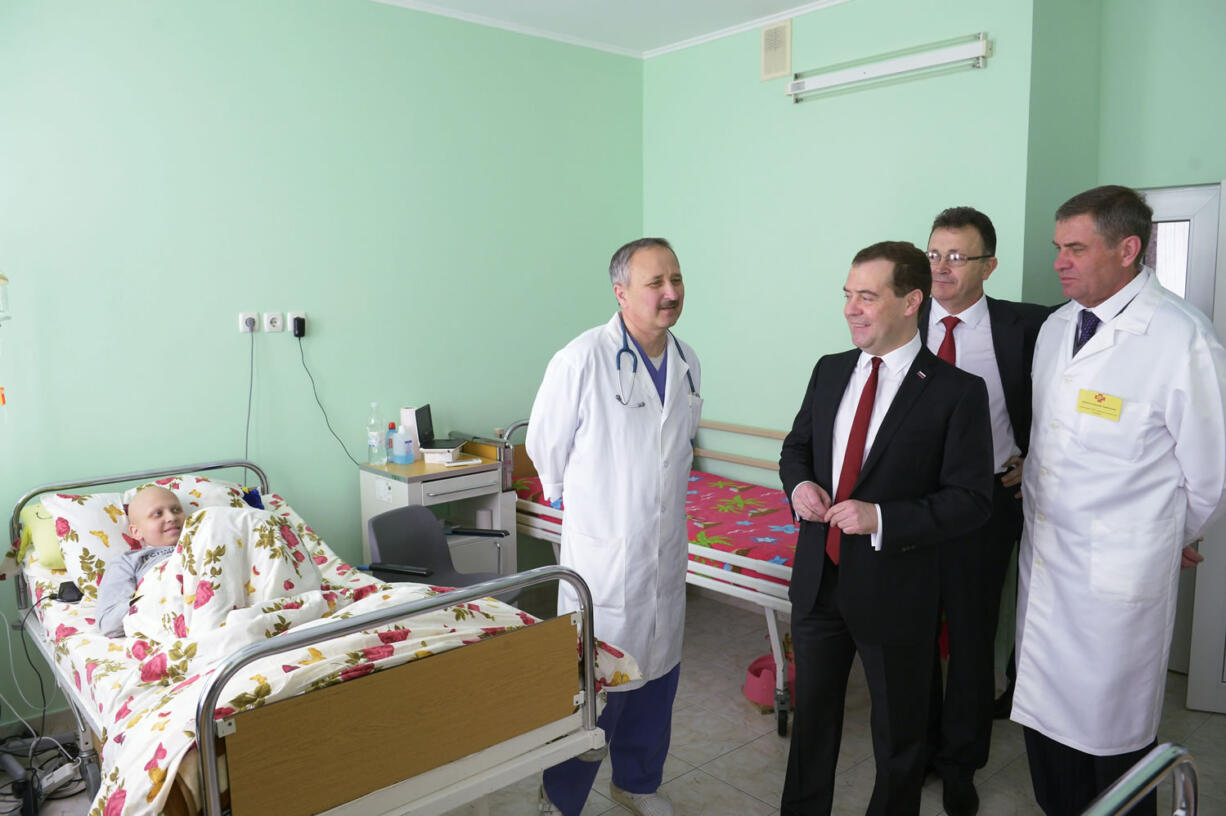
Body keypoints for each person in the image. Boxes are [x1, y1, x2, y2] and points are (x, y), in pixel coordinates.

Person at [1013, 184, 1226, 816]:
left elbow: (1210, 475)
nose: (1059, 262)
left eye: (1076, 248)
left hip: (1117, 579)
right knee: (1046, 725)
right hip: (1048, 560)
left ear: (1128, 248)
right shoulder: (1055, 330)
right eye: (1058, 248)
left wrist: (1165, 538)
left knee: (1112, 741)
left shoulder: (1181, 338)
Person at [779, 240, 994, 816]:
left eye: (867, 297)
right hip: (820, 577)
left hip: (897, 588)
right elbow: (796, 449)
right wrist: (799, 486)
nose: (851, 308)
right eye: (848, 295)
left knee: (899, 737)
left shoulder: (955, 393)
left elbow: (973, 501)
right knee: (812, 726)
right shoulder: (829, 372)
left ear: (910, 301)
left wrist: (882, 517)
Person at [526, 237, 702, 816]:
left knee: (657, 681)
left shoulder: (687, 362)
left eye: (675, 279)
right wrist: (587, 505)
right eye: (656, 283)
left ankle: (638, 784)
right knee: (593, 691)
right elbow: (543, 447)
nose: (671, 293)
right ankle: (562, 800)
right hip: (604, 559)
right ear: (621, 292)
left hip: (663, 553)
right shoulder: (581, 359)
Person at [919, 207, 1051, 815]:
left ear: (989, 266)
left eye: (957, 256)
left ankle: (961, 761)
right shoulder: (903, 317)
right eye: (934, 254)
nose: (942, 268)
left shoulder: (1028, 328)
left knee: (972, 641)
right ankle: (917, 750)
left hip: (986, 505)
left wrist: (1038, 454)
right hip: (909, 510)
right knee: (913, 635)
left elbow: (1069, 398)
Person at [96, 486, 184, 637]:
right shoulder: (128, 561)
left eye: (176, 510)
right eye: (157, 514)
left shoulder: (208, 539)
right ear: (136, 532)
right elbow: (109, 623)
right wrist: (150, 598)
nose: (171, 517)